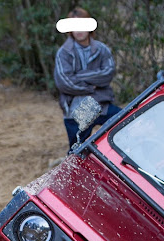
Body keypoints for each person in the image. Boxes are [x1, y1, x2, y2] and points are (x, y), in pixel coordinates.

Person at [53, 7, 121, 150]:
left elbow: (107, 74)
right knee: (78, 151)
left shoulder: (102, 49)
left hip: (102, 103)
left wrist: (80, 76)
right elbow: (64, 82)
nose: (79, 30)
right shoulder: (64, 52)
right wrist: (91, 87)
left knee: (124, 124)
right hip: (76, 107)